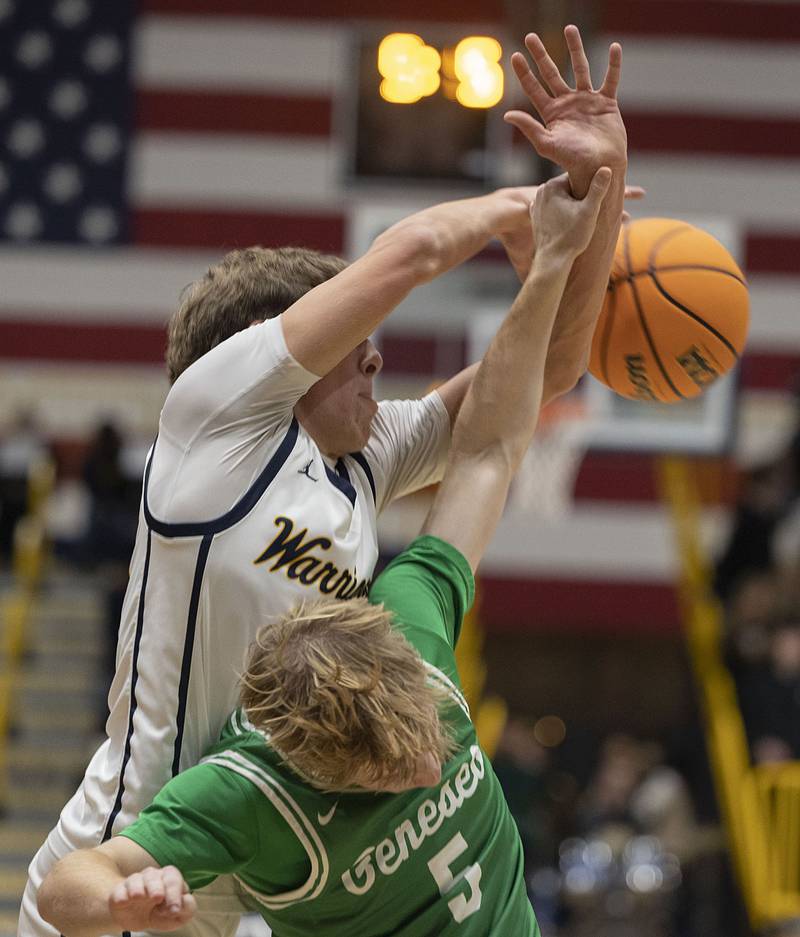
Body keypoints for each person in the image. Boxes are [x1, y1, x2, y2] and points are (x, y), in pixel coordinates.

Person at [24, 24, 629, 936]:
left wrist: (596, 197)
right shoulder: (214, 429)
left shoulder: (361, 457)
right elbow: (413, 254)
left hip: (276, 863)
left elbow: (539, 381)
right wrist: (525, 207)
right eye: (354, 346)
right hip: (142, 847)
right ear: (281, 362)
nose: (379, 355)